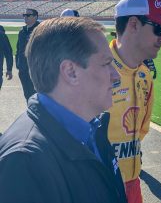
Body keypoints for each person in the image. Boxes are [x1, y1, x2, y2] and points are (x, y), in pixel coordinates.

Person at [0, 17, 127, 203]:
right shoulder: (25, 162)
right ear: (70, 72)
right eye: (106, 63)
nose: (116, 76)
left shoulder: (93, 128)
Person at [108, 0, 161, 203]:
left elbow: (141, 130)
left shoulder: (144, 74)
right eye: (159, 29)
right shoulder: (94, 69)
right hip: (98, 185)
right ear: (133, 24)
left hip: (132, 184)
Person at [16, 8, 39, 102]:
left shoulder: (40, 30)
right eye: (24, 15)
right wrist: (18, 64)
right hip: (23, 68)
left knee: (37, 94)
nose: (25, 17)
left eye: (28, 15)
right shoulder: (22, 31)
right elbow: (18, 49)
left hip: (35, 68)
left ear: (35, 17)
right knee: (27, 93)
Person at [0, 25, 13, 89]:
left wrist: (9, 69)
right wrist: (9, 69)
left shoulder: (1, 35)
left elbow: (8, 53)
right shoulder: (2, 35)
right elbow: (8, 53)